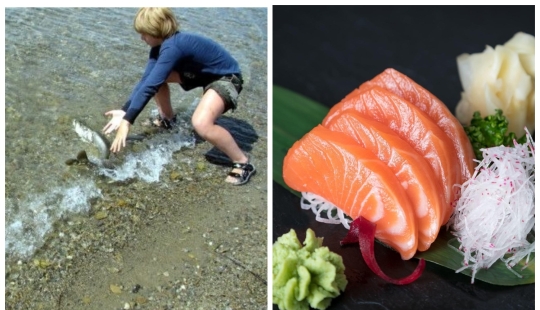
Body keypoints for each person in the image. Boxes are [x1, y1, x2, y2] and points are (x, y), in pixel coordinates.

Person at [102, 7, 255, 185]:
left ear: (155, 31)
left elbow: (149, 87)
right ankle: (168, 119)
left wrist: (128, 122)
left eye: (144, 33)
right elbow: (146, 82)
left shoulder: (174, 47)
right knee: (156, 77)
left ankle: (243, 163)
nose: (141, 38)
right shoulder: (158, 48)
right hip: (202, 74)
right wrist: (124, 111)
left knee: (201, 123)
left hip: (227, 78)